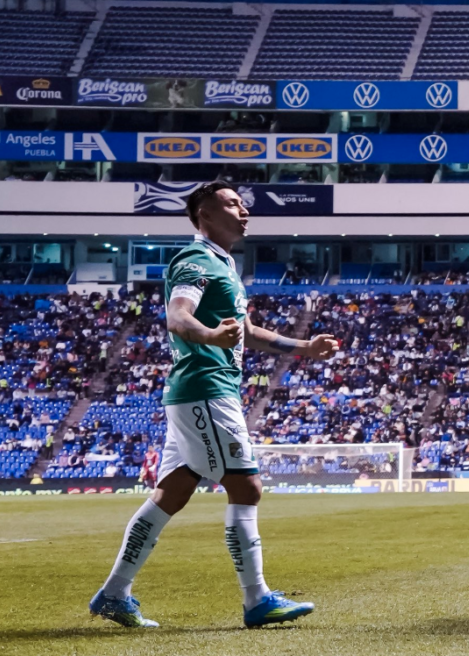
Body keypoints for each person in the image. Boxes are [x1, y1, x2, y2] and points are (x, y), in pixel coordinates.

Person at [90, 182, 339, 629]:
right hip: (206, 390)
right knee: (247, 488)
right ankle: (257, 599)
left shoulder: (223, 263)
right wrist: (208, 336)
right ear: (203, 213)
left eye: (244, 204)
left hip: (199, 393)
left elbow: (245, 329)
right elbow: (177, 315)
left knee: (172, 493)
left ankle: (113, 593)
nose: (244, 210)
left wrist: (302, 345)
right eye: (232, 203)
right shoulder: (196, 260)